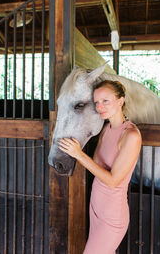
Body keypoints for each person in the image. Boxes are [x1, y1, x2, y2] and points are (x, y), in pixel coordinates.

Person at [58, 80, 142, 254]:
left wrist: (79, 154)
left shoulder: (131, 135)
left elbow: (112, 181)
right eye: (96, 102)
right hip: (96, 206)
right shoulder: (106, 129)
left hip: (112, 215)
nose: (99, 106)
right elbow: (96, 166)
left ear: (120, 101)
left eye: (105, 101)